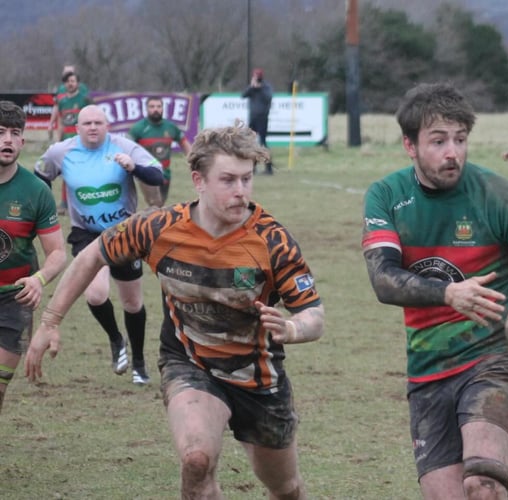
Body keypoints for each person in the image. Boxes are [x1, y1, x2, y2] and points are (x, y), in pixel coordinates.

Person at [25, 124, 325, 499]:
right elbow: (91, 256)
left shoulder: (272, 240)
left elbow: (314, 314)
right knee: (196, 460)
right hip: (190, 363)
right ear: (198, 180)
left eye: (247, 179)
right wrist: (50, 322)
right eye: (228, 180)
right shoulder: (160, 228)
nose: (241, 191)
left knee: (285, 489)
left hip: (258, 378)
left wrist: (294, 328)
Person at [361, 82, 508, 499]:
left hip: (496, 359)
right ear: (410, 145)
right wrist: (448, 294)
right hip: (428, 370)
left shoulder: (499, 195)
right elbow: (383, 279)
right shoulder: (386, 195)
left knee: (483, 484)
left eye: (460, 139)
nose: (452, 152)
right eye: (438, 141)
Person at [34, 104, 163, 386]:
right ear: (77, 128)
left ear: (108, 126)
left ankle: (139, 363)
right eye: (87, 123)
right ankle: (116, 340)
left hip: (124, 233)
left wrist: (134, 167)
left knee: (132, 302)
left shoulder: (124, 147)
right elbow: (38, 179)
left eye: (98, 123)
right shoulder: (62, 152)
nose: (93, 127)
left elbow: (157, 175)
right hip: (86, 234)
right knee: (95, 294)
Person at [0, 101, 67, 414]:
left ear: (23, 141)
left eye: (15, 133)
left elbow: (56, 252)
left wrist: (40, 279)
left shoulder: (36, 190)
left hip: (14, 301)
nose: (8, 140)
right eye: (0, 133)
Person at [128, 96, 192, 204]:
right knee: (155, 203)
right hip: (147, 172)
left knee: (160, 204)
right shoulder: (138, 128)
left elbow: (184, 142)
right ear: (147, 109)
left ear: (163, 108)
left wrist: (193, 160)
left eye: (158, 106)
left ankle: (149, 220)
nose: (155, 109)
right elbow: (127, 146)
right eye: (152, 106)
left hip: (165, 173)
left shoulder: (170, 127)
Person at [50, 69, 92, 215]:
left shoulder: (84, 99)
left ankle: (84, 203)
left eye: (73, 81)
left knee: (83, 173)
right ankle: (64, 204)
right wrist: (58, 140)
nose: (70, 84)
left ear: (77, 83)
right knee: (66, 172)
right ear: (65, 84)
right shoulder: (62, 101)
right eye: (68, 81)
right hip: (67, 143)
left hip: (82, 143)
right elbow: (61, 122)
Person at [242, 68, 274, 175]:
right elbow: (243, 95)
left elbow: (268, 98)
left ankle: (268, 168)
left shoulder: (266, 87)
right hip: (253, 119)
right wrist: (252, 87)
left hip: (262, 118)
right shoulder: (252, 88)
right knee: (250, 143)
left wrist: (259, 88)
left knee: (262, 143)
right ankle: (253, 167)